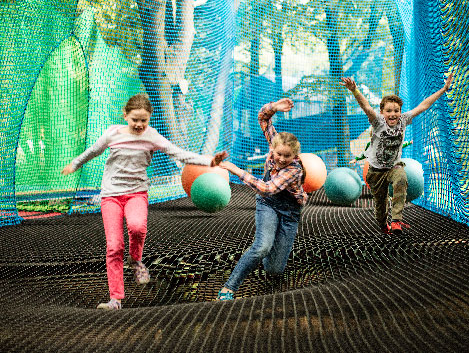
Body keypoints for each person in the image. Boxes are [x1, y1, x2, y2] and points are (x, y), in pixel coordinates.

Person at [61, 93, 227, 310]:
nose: (139, 125)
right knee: (114, 246)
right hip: (111, 195)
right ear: (126, 116)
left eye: (144, 120)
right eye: (134, 120)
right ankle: (115, 299)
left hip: (136, 193)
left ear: (149, 118)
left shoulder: (152, 136)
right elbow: (93, 151)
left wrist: (209, 161)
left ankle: (136, 260)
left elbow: (179, 154)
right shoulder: (112, 134)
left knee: (137, 228)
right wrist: (75, 164)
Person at [216, 98, 307, 301]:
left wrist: (236, 170)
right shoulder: (275, 146)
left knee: (274, 269)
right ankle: (230, 288)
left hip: (290, 211)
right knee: (261, 247)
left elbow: (267, 188)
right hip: (267, 205)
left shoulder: (294, 169)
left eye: (287, 156)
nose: (282, 159)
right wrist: (274, 107)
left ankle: (270, 250)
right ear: (273, 148)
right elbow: (263, 119)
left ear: (295, 156)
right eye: (278, 154)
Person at [340, 73, 453, 235]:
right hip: (376, 171)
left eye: (396, 110)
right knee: (380, 205)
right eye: (388, 111)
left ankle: (396, 220)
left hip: (393, 166)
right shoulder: (377, 121)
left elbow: (423, 106)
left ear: (400, 111)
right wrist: (355, 90)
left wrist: (443, 89)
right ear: (382, 111)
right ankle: (383, 224)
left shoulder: (404, 120)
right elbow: (366, 107)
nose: (392, 114)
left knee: (401, 179)